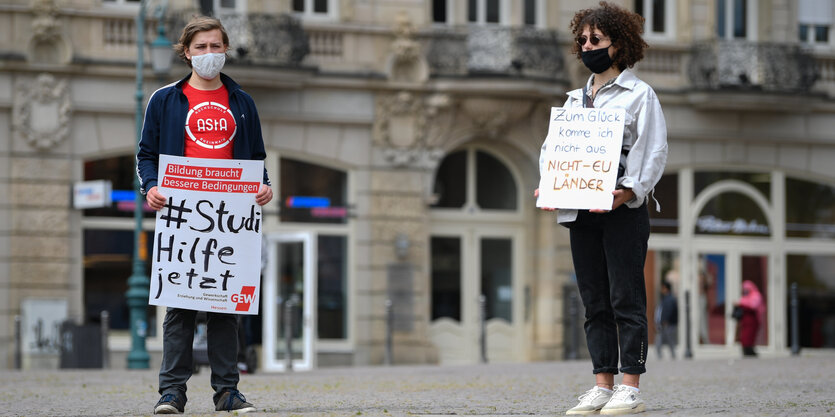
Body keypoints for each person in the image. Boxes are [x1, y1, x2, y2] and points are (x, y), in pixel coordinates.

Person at [535, 2, 667, 415]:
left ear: (619, 44)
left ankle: (631, 384)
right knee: (594, 299)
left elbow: (654, 150)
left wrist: (629, 192)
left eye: (596, 39)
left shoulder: (639, 95)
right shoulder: (574, 100)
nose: (587, 45)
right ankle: (602, 383)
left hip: (621, 209)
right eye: (582, 39)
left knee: (626, 295)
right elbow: (552, 149)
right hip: (580, 209)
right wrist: (551, 185)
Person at [136, 16, 273, 415]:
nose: (209, 55)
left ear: (226, 50)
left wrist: (264, 186)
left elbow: (255, 159)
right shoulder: (165, 99)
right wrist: (152, 187)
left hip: (229, 218)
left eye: (216, 47)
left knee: (226, 308)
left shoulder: (243, 102)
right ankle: (172, 392)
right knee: (179, 307)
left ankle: (227, 392)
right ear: (186, 52)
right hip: (183, 216)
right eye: (201, 48)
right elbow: (147, 154)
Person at [734, 280, 765, 357]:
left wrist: (742, 305)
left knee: (750, 335)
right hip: (745, 320)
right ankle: (746, 350)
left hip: (752, 320)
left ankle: (749, 350)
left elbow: (753, 306)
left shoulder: (756, 295)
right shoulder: (745, 297)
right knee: (744, 335)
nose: (745, 290)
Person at [655, 281, 678, 359]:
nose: (661, 290)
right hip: (663, 323)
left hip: (668, 324)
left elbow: (669, 311)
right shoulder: (664, 298)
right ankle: (661, 354)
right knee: (661, 339)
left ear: (666, 289)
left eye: (663, 288)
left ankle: (672, 354)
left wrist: (665, 320)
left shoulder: (670, 299)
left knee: (669, 339)